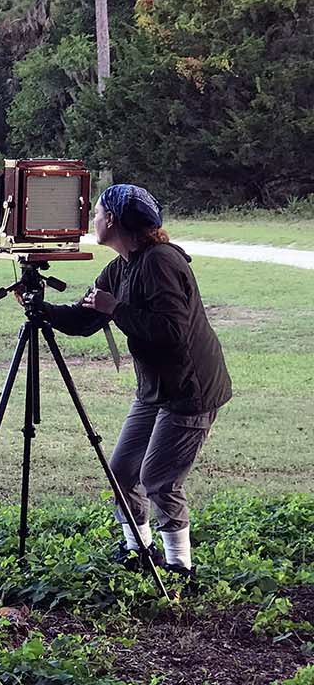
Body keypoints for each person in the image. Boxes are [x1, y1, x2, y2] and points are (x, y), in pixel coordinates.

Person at [32, 184, 232, 582]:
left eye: (98, 213)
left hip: (189, 389)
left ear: (115, 221)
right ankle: (138, 551)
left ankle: (179, 569)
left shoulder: (161, 262)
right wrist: (43, 309)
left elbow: (171, 330)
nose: (92, 219)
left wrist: (117, 309)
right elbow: (88, 318)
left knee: (158, 478)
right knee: (122, 472)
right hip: (154, 389)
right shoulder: (120, 266)